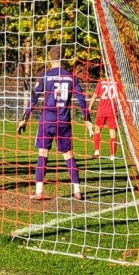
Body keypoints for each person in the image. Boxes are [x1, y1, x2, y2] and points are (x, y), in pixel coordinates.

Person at [16, 45, 92, 201]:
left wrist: (25, 118)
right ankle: (77, 190)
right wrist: (87, 119)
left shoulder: (45, 76)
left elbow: (34, 98)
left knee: (43, 154)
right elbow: (82, 100)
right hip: (64, 121)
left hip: (47, 121)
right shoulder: (71, 77)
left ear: (50, 58)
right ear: (64, 58)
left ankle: (39, 191)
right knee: (68, 155)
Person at [88, 75, 119, 160]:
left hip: (101, 110)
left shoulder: (101, 83)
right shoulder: (117, 84)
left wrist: (90, 106)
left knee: (97, 129)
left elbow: (94, 95)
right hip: (112, 111)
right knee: (112, 132)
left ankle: (97, 151)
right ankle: (112, 155)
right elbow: (121, 97)